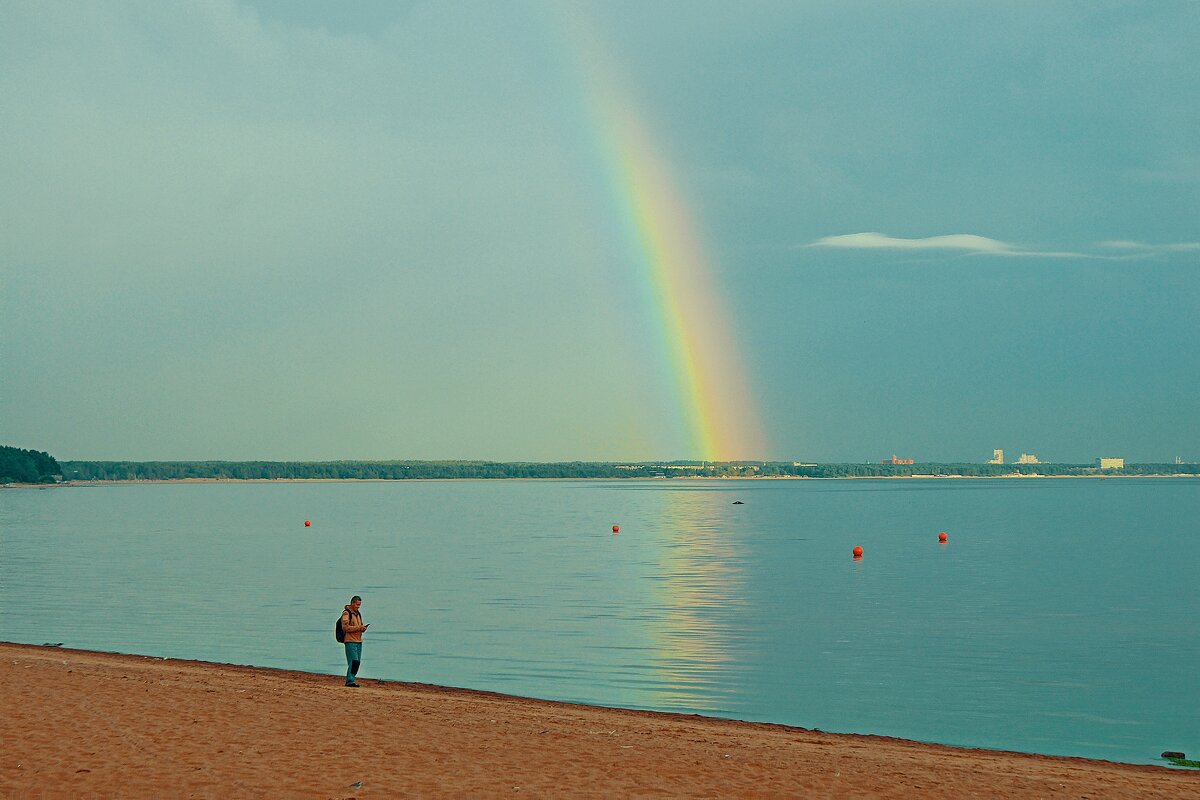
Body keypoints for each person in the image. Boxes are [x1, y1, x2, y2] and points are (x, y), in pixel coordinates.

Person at [340, 595, 368, 687]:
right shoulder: (346, 613)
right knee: (353, 661)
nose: (358, 606)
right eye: (357, 604)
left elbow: (358, 626)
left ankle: (351, 679)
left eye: (359, 605)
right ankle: (350, 680)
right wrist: (359, 628)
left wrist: (362, 628)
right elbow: (345, 627)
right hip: (350, 641)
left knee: (357, 662)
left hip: (358, 641)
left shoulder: (358, 614)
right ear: (352, 603)